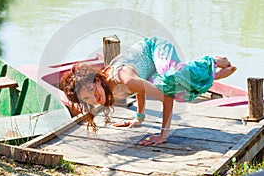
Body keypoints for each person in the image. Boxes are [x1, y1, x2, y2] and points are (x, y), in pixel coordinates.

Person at [59, 37, 237, 146]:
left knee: (172, 78)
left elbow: (166, 98)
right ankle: (213, 76)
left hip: (154, 48)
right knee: (182, 93)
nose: (94, 97)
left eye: (92, 89)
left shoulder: (122, 77)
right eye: (88, 98)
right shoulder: (109, 88)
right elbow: (139, 89)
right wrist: (139, 118)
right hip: (148, 70)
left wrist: (163, 135)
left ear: (97, 80)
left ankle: (210, 62)